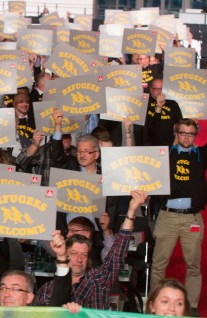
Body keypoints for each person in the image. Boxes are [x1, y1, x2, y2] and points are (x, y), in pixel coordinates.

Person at [36, 190, 145, 309]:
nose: (79, 259)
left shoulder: (99, 278)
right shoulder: (48, 289)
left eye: (84, 255)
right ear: (64, 254)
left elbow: (119, 250)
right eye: (74, 253)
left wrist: (131, 212)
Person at [150, 118, 204, 315]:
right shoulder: (165, 154)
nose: (187, 137)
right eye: (183, 133)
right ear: (177, 133)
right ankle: (156, 306)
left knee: (194, 266)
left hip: (192, 218)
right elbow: (155, 132)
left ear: (195, 136)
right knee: (158, 265)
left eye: (190, 134)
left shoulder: (200, 154)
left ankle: (191, 308)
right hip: (168, 216)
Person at [144, 79, 183, 146]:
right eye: (156, 89)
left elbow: (180, 125)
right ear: (151, 90)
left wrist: (175, 143)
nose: (159, 91)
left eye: (161, 89)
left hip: (170, 145)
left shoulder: (173, 104)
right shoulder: (144, 103)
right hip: (149, 144)